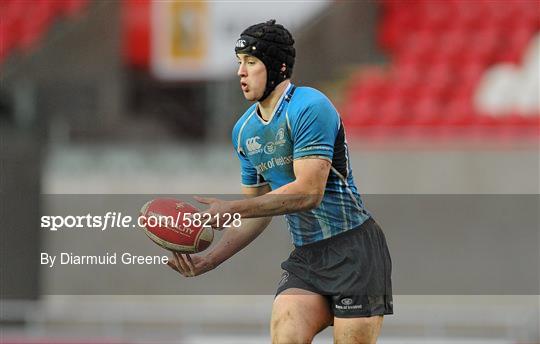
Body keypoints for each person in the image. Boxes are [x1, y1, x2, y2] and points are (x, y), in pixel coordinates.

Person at [168, 19, 393, 343]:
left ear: (278, 67)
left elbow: (308, 192)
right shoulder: (244, 131)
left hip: (354, 250)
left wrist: (234, 207)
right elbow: (256, 213)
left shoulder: (311, 107)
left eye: (251, 62)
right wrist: (209, 259)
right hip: (307, 257)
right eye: (238, 63)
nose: (240, 73)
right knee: (285, 334)